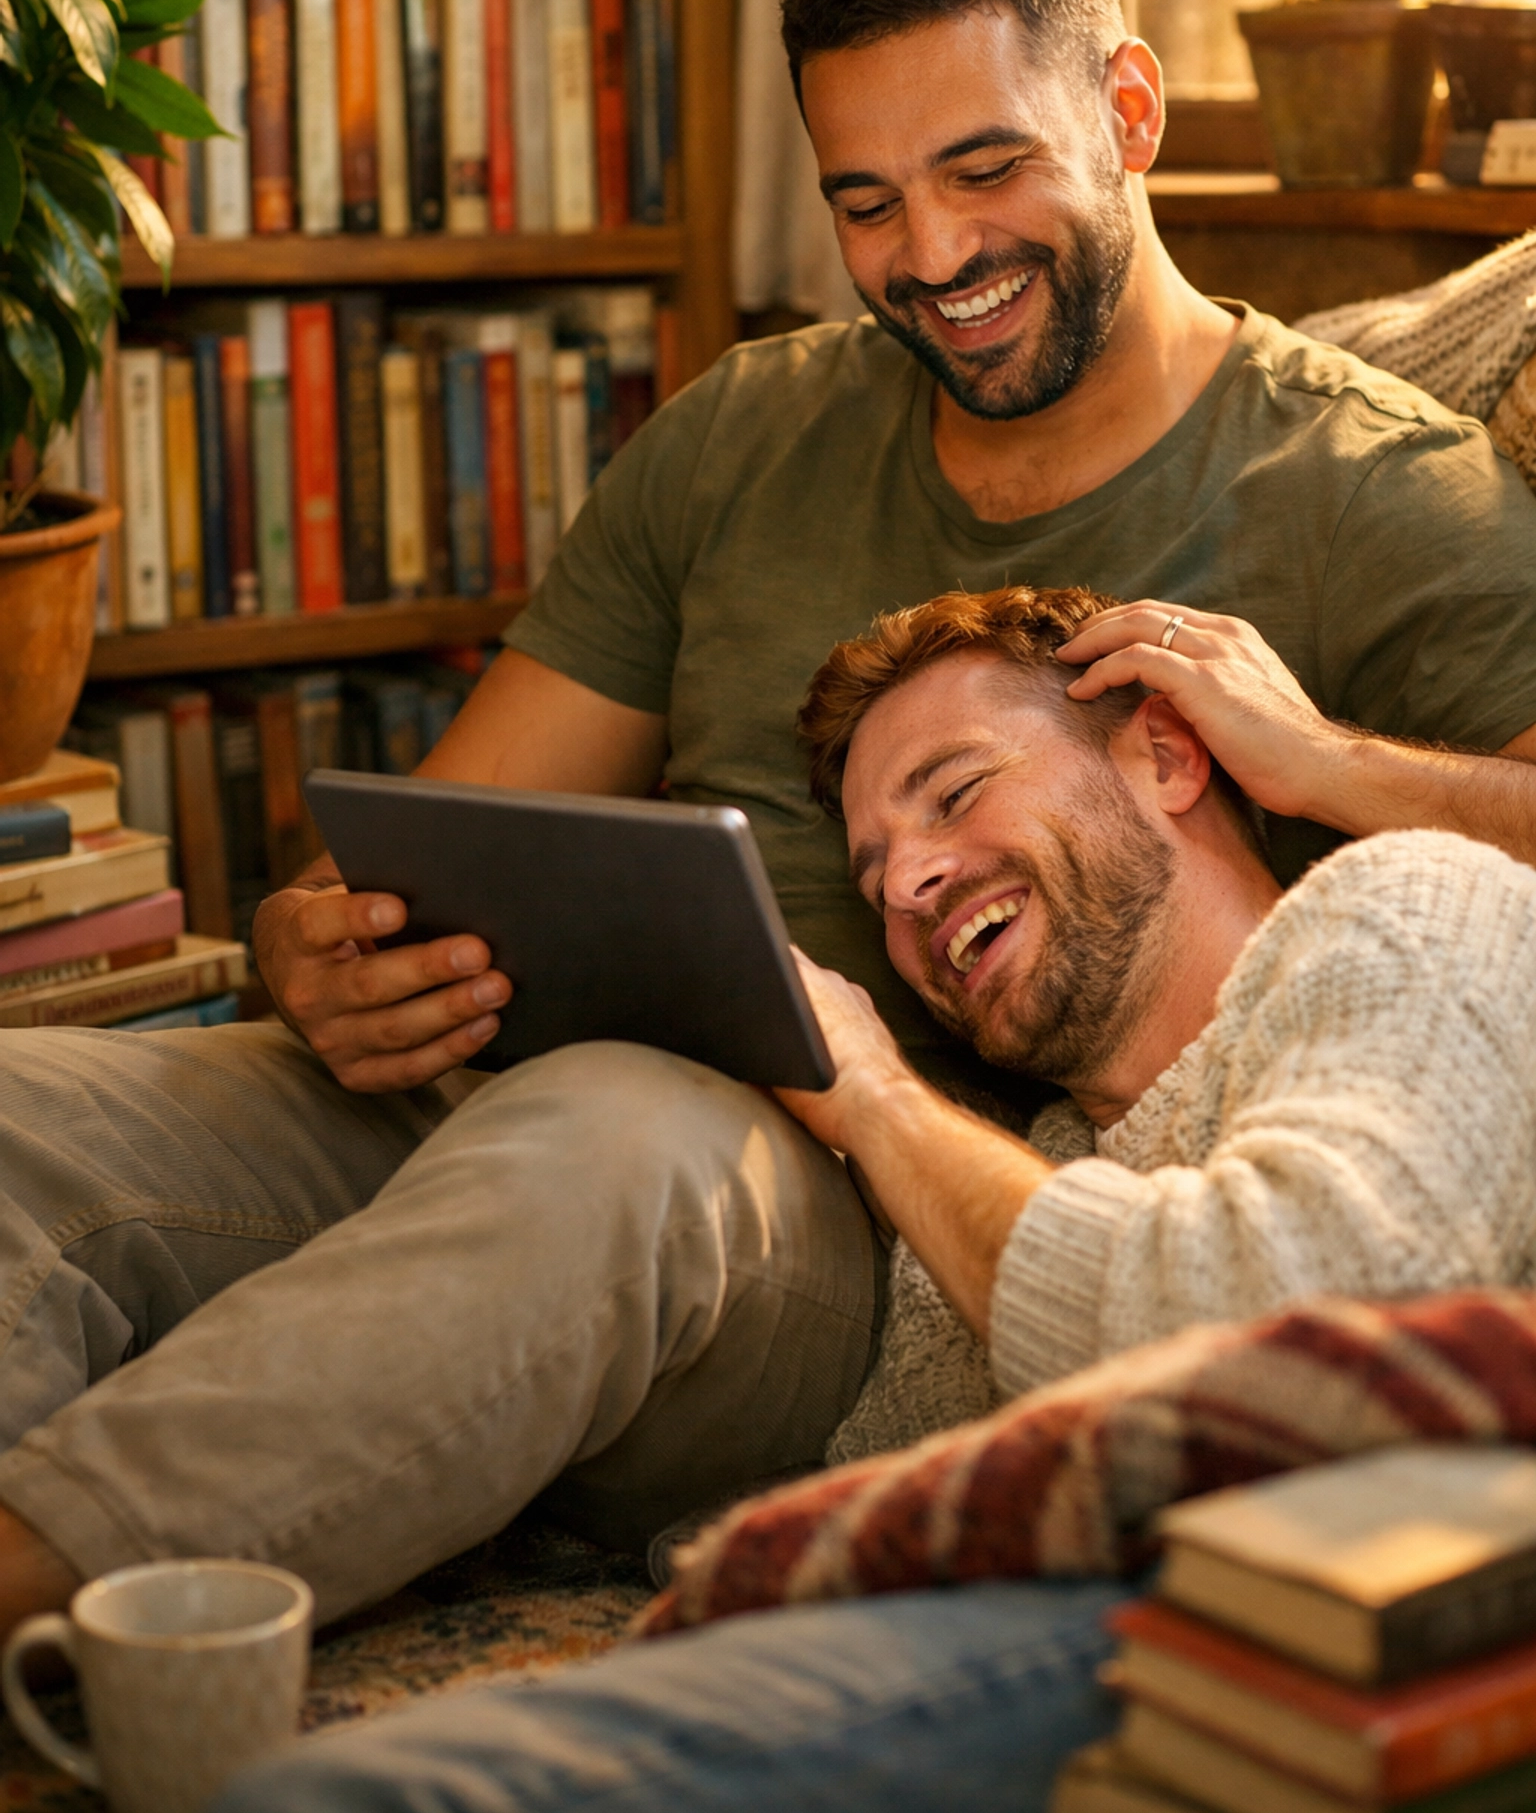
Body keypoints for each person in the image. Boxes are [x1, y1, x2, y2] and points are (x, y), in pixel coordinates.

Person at [0, 0, 1529, 1635]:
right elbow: (426, 840)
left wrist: (1326, 758)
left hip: (856, 1228)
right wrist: (311, 942)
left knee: (611, 1134)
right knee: (37, 1112)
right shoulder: (745, 427)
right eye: (867, 204)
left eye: (984, 170)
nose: (934, 260)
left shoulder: (1363, 489)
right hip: (513, 1082)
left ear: (1127, 111)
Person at [209, 580, 1536, 1813]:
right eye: (873, 870)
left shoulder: (1408, 908)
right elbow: (816, 1520)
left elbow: (1282, 1342)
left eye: (955, 793)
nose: (906, 884)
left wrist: (873, 1097)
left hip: (1337, 1610)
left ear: (1171, 757)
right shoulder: (1002, 1184)